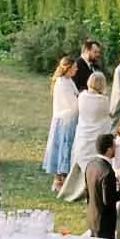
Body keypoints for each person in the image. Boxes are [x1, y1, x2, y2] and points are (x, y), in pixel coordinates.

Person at [58, 72, 113, 201]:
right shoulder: (103, 101)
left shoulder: (82, 96)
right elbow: (108, 114)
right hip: (96, 134)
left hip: (83, 134)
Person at [42, 57, 81, 190]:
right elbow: (71, 103)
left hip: (70, 118)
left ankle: (65, 176)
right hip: (65, 119)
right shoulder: (61, 83)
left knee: (68, 147)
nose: (76, 69)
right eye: (74, 67)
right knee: (63, 147)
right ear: (68, 68)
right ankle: (59, 177)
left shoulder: (69, 81)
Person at [85, 132, 120, 239]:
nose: (116, 149)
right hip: (105, 222)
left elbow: (87, 191)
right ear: (109, 150)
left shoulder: (91, 164)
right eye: (114, 147)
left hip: (92, 217)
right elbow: (108, 200)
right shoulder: (107, 171)